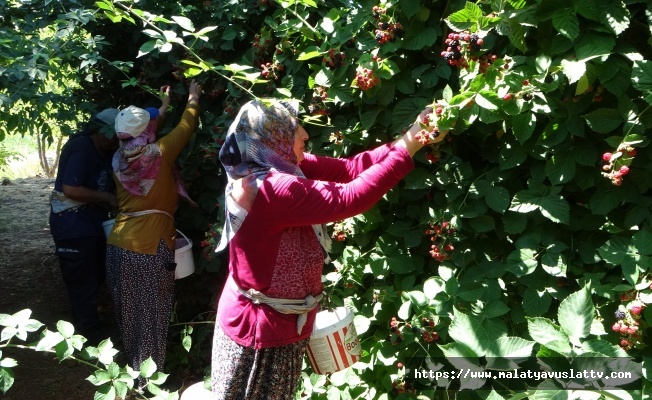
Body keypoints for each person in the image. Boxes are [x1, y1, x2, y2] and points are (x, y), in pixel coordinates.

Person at [211, 99, 446, 399]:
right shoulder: (269, 189)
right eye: (295, 128)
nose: (306, 135)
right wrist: (410, 144)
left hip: (276, 322)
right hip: (259, 331)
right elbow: (350, 196)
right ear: (274, 138)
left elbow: (350, 169)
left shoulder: (275, 163)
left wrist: (413, 135)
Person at [105, 80, 202, 384]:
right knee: (153, 316)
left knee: (131, 316)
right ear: (147, 133)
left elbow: (145, 127)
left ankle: (136, 374)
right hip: (149, 249)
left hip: (118, 245)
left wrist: (162, 106)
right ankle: (150, 384)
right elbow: (187, 126)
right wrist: (193, 98)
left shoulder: (119, 157)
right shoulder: (160, 153)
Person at [49, 108, 119, 346]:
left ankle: (86, 322)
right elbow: (72, 189)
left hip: (89, 224)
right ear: (103, 130)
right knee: (82, 277)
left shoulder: (101, 150)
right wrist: (108, 198)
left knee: (95, 272)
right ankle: (88, 334)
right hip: (73, 225)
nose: (117, 141)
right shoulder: (83, 147)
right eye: (115, 135)